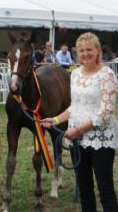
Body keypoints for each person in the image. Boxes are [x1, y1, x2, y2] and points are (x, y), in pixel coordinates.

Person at [40, 32, 118, 212]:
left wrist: (78, 130)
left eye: (89, 49)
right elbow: (74, 107)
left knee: (106, 191)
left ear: (97, 50)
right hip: (78, 141)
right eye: (81, 50)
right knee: (84, 190)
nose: (85, 53)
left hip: (101, 140)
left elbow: (105, 112)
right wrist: (56, 119)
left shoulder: (107, 75)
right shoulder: (74, 74)